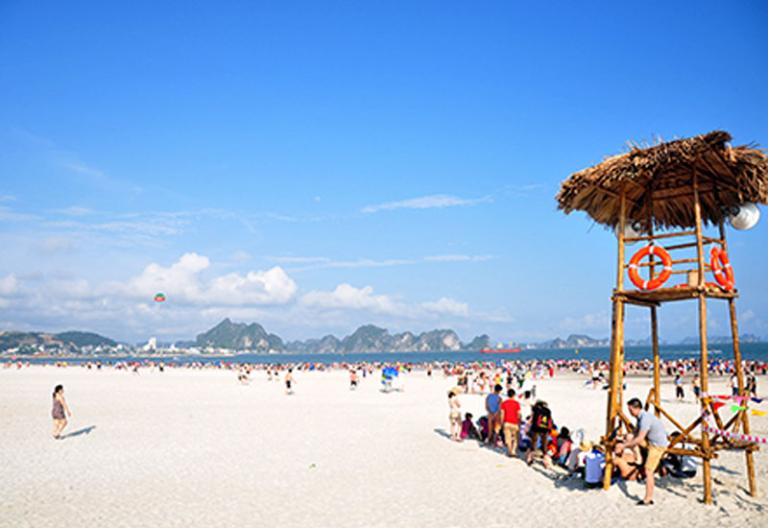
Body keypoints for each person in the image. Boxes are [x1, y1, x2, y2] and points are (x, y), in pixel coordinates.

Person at [616, 398, 669, 505]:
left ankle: (648, 499)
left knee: (648, 471)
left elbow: (639, 438)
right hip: (650, 442)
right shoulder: (641, 417)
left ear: (636, 408)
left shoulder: (645, 419)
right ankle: (639, 457)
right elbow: (635, 432)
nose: (630, 412)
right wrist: (623, 439)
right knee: (629, 436)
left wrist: (623, 446)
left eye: (630, 410)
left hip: (657, 446)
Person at [526, 400, 552, 465]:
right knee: (544, 446)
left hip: (536, 429)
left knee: (533, 444)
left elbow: (531, 419)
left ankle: (530, 459)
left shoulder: (535, 409)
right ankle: (546, 462)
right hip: (545, 430)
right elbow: (550, 421)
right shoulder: (548, 411)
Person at [500, 389, 522, 457]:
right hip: (515, 422)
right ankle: (513, 451)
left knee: (508, 438)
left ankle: (509, 451)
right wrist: (520, 421)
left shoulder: (504, 403)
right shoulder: (516, 403)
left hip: (506, 422)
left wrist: (501, 422)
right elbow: (519, 414)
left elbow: (502, 414)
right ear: (514, 395)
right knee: (516, 438)